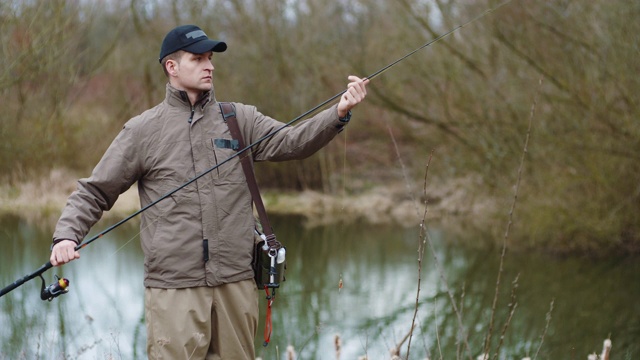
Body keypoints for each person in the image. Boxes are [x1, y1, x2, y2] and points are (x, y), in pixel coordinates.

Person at [49, 24, 368, 359]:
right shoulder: (142, 131)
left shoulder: (239, 119)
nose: (209, 65)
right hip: (174, 288)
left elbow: (293, 142)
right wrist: (66, 236)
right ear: (171, 67)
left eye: (211, 58)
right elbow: (95, 191)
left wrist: (339, 112)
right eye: (198, 58)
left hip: (236, 283)